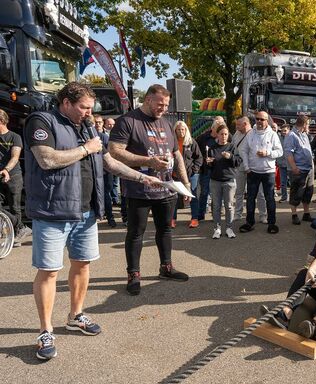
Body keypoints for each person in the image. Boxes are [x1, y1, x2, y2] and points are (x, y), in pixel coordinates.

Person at [23, 82, 161, 360]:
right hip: (53, 212)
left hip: (86, 212)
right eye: (84, 107)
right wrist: (86, 149)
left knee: (82, 265)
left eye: (90, 108)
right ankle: (45, 330)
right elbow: (46, 159)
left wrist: (143, 175)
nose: (88, 113)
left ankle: (76, 314)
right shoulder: (42, 121)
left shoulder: (86, 127)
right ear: (66, 103)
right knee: (49, 271)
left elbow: (107, 161)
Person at [108, 84, 192, 296]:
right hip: (139, 189)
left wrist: (186, 182)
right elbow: (114, 152)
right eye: (159, 104)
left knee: (165, 229)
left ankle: (166, 267)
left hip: (167, 189)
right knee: (136, 233)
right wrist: (149, 161)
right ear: (147, 100)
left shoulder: (166, 123)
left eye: (166, 105)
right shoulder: (128, 121)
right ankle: (134, 274)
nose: (163, 108)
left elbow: (176, 154)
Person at [238, 111, 283, 234]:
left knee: (269, 198)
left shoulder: (273, 135)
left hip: (268, 172)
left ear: (267, 121)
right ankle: (249, 222)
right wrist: (246, 167)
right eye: (257, 119)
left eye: (262, 119)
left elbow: (280, 152)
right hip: (253, 171)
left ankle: (272, 223)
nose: (259, 121)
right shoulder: (250, 134)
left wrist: (267, 153)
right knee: (251, 198)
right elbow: (244, 150)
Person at [0, 108, 31, 241]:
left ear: (1, 121)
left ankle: (16, 233)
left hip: (14, 175)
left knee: (14, 207)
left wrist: (6, 170)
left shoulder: (15, 137)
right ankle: (20, 227)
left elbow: (15, 157)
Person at [232, 116, 267, 223]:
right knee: (239, 192)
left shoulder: (254, 134)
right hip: (240, 166)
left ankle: (263, 215)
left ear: (246, 124)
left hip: (254, 167)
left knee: (260, 193)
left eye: (239, 125)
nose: (236, 127)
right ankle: (238, 214)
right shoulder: (236, 134)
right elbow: (233, 149)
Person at [208, 124, 239, 239]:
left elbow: (238, 161)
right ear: (217, 135)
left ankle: (229, 228)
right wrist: (209, 162)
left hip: (229, 180)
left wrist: (230, 157)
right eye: (222, 134)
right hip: (215, 180)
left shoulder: (232, 147)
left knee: (229, 206)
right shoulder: (212, 148)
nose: (224, 136)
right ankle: (217, 228)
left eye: (226, 134)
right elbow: (209, 167)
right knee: (216, 205)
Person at [172, 121, 203, 228]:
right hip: (175, 175)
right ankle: (172, 219)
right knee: (174, 198)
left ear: (186, 130)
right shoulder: (172, 142)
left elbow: (199, 158)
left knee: (192, 196)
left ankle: (194, 218)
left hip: (191, 175)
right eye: (178, 129)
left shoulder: (191, 142)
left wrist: (194, 170)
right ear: (175, 131)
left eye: (183, 129)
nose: (181, 132)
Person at [284, 116, 314, 225]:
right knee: (296, 192)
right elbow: (288, 153)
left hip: (308, 169)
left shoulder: (304, 134)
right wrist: (294, 168)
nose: (309, 126)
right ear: (305, 124)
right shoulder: (291, 135)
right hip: (299, 170)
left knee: (308, 193)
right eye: (308, 124)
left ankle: (306, 214)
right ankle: (294, 215)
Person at [195, 116, 225, 221]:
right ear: (212, 128)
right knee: (204, 192)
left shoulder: (225, 137)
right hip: (206, 169)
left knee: (217, 194)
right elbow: (196, 152)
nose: (220, 132)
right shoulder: (203, 138)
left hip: (219, 170)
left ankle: (215, 214)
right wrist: (202, 161)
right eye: (217, 129)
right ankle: (201, 214)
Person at [91, 114, 117, 228]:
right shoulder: (88, 136)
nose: (97, 124)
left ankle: (110, 218)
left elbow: (110, 155)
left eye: (99, 122)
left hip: (105, 171)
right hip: (93, 172)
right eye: (95, 122)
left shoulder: (104, 137)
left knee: (106, 194)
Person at [276, 124, 290, 203]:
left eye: (285, 131)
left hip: (290, 164)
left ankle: (294, 198)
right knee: (283, 182)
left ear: (289, 130)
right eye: (282, 131)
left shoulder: (292, 138)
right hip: (281, 164)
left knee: (292, 182)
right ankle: (284, 197)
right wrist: (278, 161)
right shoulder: (278, 138)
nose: (283, 132)